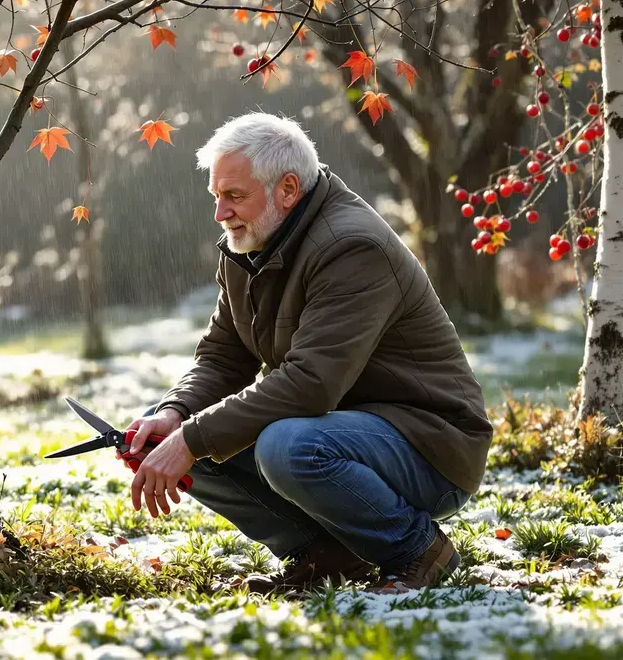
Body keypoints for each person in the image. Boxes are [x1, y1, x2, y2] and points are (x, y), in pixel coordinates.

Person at [122, 112, 492, 593]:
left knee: (285, 445)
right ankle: (327, 553)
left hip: (430, 446)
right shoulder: (248, 243)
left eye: (234, 196)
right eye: (216, 196)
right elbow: (223, 357)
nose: (220, 212)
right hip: (339, 430)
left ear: (288, 189)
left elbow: (310, 385)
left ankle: (417, 549)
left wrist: (192, 439)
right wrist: (175, 415)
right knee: (171, 428)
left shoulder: (352, 246)